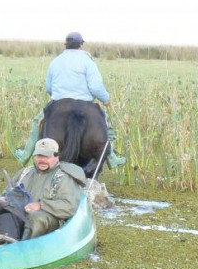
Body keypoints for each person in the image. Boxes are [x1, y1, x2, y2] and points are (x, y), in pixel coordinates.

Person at [14, 31, 126, 169]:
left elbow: (49, 88)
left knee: (38, 122)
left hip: (59, 101)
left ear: (66, 45)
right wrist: (106, 99)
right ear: (81, 44)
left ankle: (25, 154)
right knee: (105, 123)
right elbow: (96, 87)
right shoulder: (88, 61)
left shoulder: (55, 61)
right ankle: (112, 158)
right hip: (85, 102)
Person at [7, 138, 86, 240]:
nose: (42, 160)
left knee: (35, 218)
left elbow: (69, 206)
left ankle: (25, 248)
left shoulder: (64, 177)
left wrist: (41, 205)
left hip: (49, 219)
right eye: (39, 156)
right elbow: (7, 192)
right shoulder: (24, 173)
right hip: (20, 214)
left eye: (47, 156)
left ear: (56, 157)